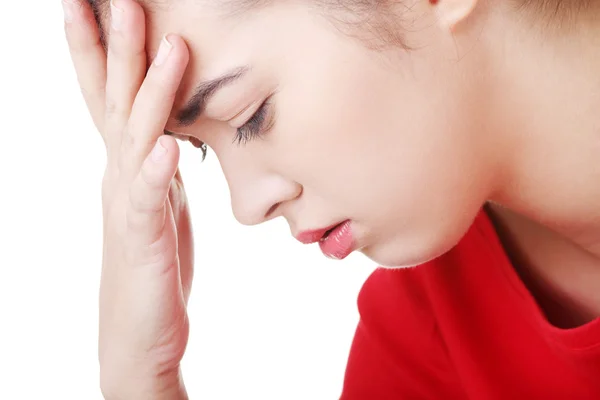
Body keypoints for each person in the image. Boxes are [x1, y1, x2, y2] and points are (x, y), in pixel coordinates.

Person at [62, 0, 600, 398]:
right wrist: (140, 376)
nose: (246, 207)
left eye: (248, 114)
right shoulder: (431, 335)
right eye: (200, 149)